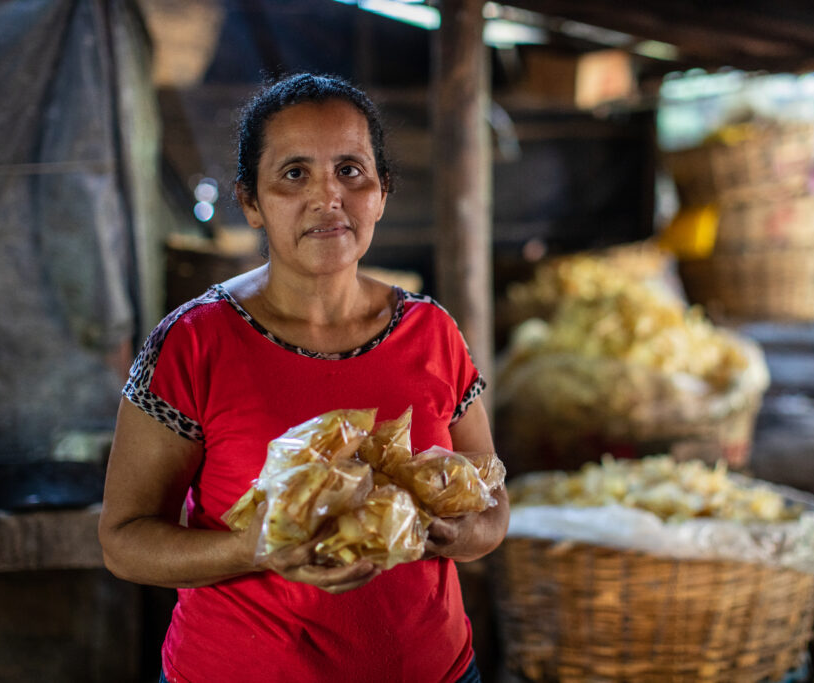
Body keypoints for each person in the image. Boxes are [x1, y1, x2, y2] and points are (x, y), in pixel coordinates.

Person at [98, 73, 509, 683]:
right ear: (251, 203)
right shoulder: (194, 341)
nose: (328, 198)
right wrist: (255, 546)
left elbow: (492, 504)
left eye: (351, 170)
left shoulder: (433, 332)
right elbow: (124, 540)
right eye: (294, 174)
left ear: (382, 192)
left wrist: (451, 530)